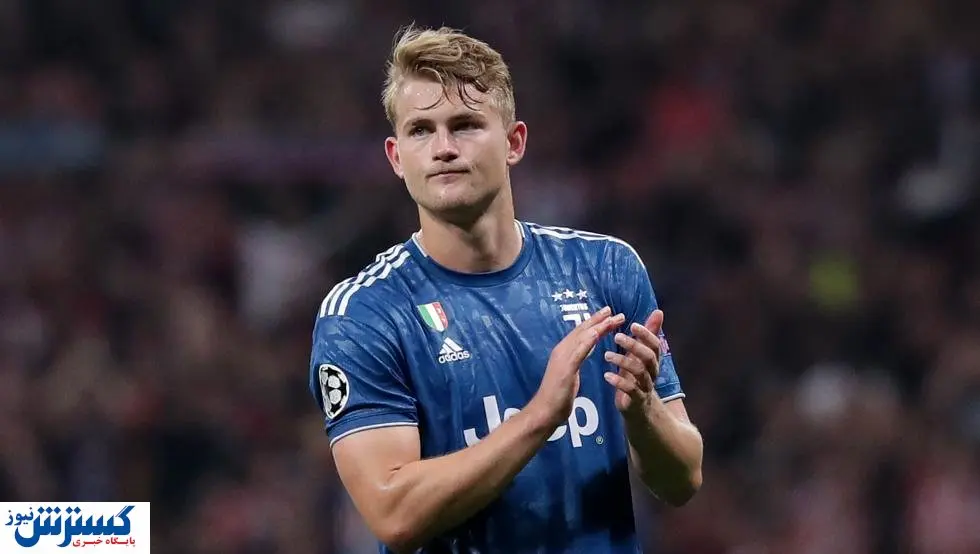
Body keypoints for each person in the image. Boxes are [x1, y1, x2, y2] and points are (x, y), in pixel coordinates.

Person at [308, 25, 703, 554]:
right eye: (421, 130)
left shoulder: (605, 269)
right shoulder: (365, 315)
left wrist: (643, 412)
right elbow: (394, 514)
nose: (443, 148)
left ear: (514, 142)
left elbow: (684, 479)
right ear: (397, 157)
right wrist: (539, 417)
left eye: (466, 125)